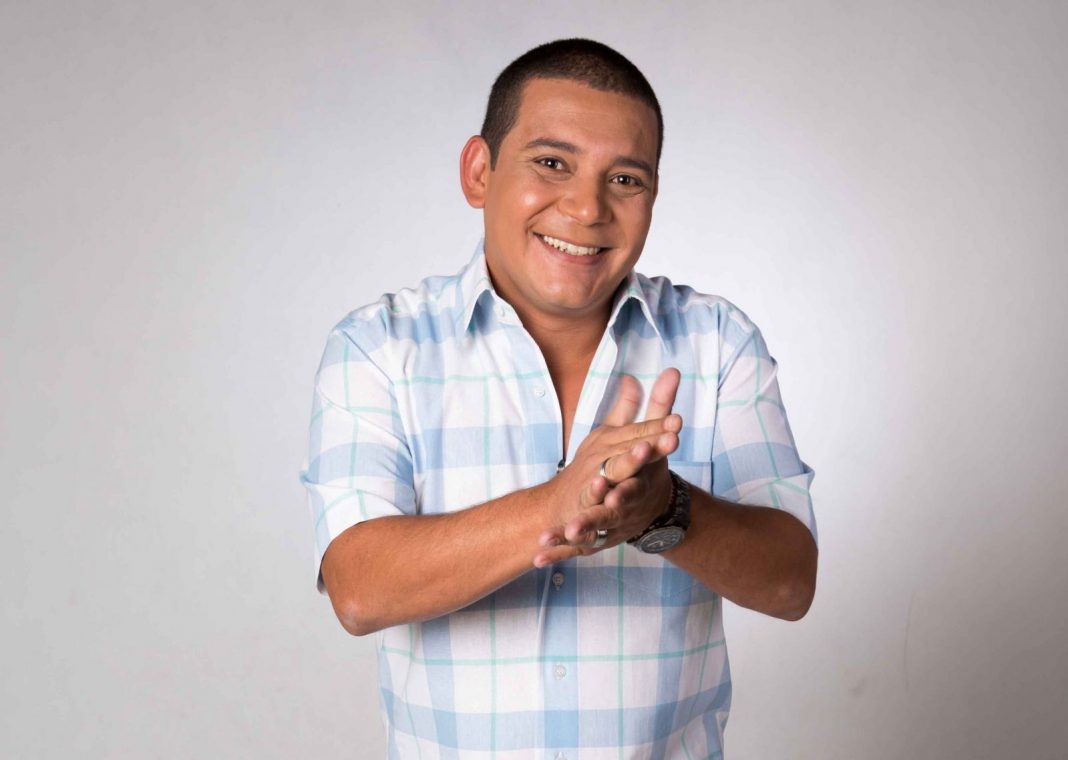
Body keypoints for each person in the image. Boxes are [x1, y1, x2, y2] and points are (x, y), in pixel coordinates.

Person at [301, 38, 817, 759]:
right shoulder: (377, 347)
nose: (586, 207)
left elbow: (791, 582)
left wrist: (666, 510)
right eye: (552, 163)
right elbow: (359, 588)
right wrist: (555, 506)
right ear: (479, 172)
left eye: (625, 178)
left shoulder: (718, 341)